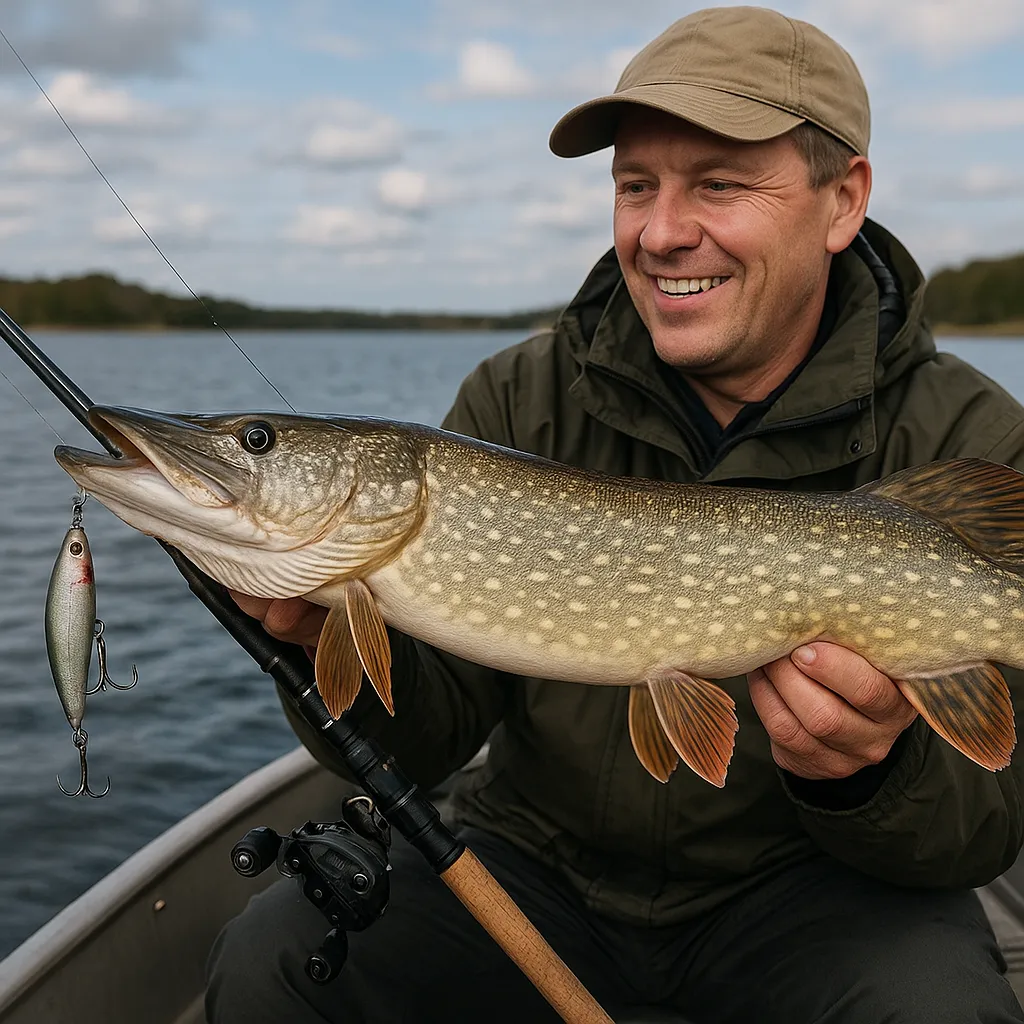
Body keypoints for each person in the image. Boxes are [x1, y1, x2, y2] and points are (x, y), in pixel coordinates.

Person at [206, 7, 1024, 1022]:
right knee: (269, 962)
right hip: (534, 864)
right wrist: (321, 646)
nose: (659, 229)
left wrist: (871, 771)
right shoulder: (517, 398)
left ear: (841, 200)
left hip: (811, 892)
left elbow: (980, 833)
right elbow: (426, 737)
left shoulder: (967, 433)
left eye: (717, 182)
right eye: (634, 185)